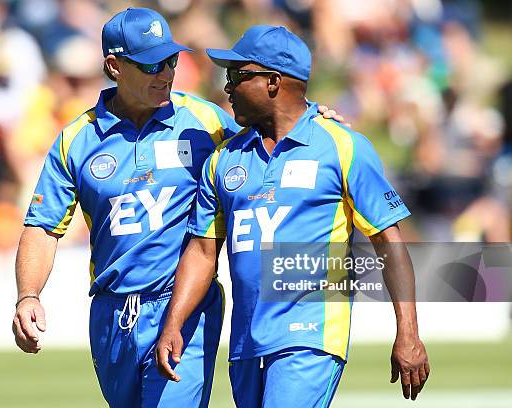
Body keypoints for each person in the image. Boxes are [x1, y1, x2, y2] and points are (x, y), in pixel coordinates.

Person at [11, 8, 348, 408]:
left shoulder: (206, 122)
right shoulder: (76, 140)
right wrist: (28, 295)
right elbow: (43, 226)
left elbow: (275, 131)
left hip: (185, 307)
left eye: (172, 60)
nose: (167, 73)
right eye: (153, 64)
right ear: (114, 66)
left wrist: (315, 119)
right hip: (110, 313)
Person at [155, 25, 430, 407]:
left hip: (310, 337)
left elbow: (390, 243)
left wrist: (408, 333)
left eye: (237, 75)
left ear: (273, 81)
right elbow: (203, 253)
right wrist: (174, 322)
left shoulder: (342, 146)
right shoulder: (223, 158)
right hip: (246, 343)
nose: (227, 87)